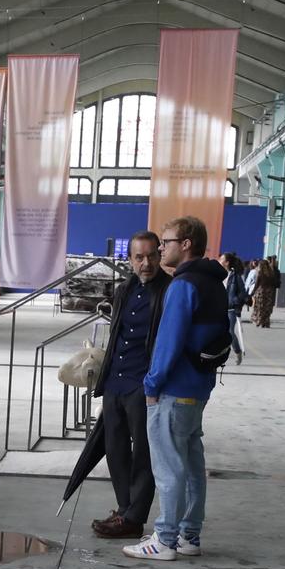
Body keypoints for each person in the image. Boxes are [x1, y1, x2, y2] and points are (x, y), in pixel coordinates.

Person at [123, 216, 223, 562]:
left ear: (186, 245)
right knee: (192, 465)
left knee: (168, 467)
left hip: (174, 388)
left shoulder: (182, 286)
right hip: (198, 388)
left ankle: (164, 539)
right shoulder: (214, 282)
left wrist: (152, 383)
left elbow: (169, 341)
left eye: (166, 242)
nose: (161, 247)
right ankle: (188, 535)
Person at [90, 231, 171, 540]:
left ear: (160, 255)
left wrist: (155, 382)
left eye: (152, 255)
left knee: (144, 454)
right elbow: (116, 333)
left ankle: (135, 516)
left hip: (144, 384)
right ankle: (125, 510)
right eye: (139, 257)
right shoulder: (124, 289)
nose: (146, 263)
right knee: (115, 449)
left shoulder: (169, 290)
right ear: (131, 260)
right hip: (115, 382)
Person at [221, 252, 249, 363]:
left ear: (227, 262)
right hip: (219, 308)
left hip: (231, 310)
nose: (219, 260)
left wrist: (234, 301)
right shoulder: (218, 274)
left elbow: (243, 293)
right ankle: (220, 355)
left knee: (230, 332)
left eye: (221, 259)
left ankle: (237, 351)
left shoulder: (235, 276)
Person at [252, 257, 279, 329]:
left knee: (260, 307)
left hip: (261, 292)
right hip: (269, 292)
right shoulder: (271, 274)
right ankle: (266, 322)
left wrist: (252, 292)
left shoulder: (260, 273)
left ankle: (259, 321)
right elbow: (274, 283)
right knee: (267, 308)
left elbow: (257, 284)